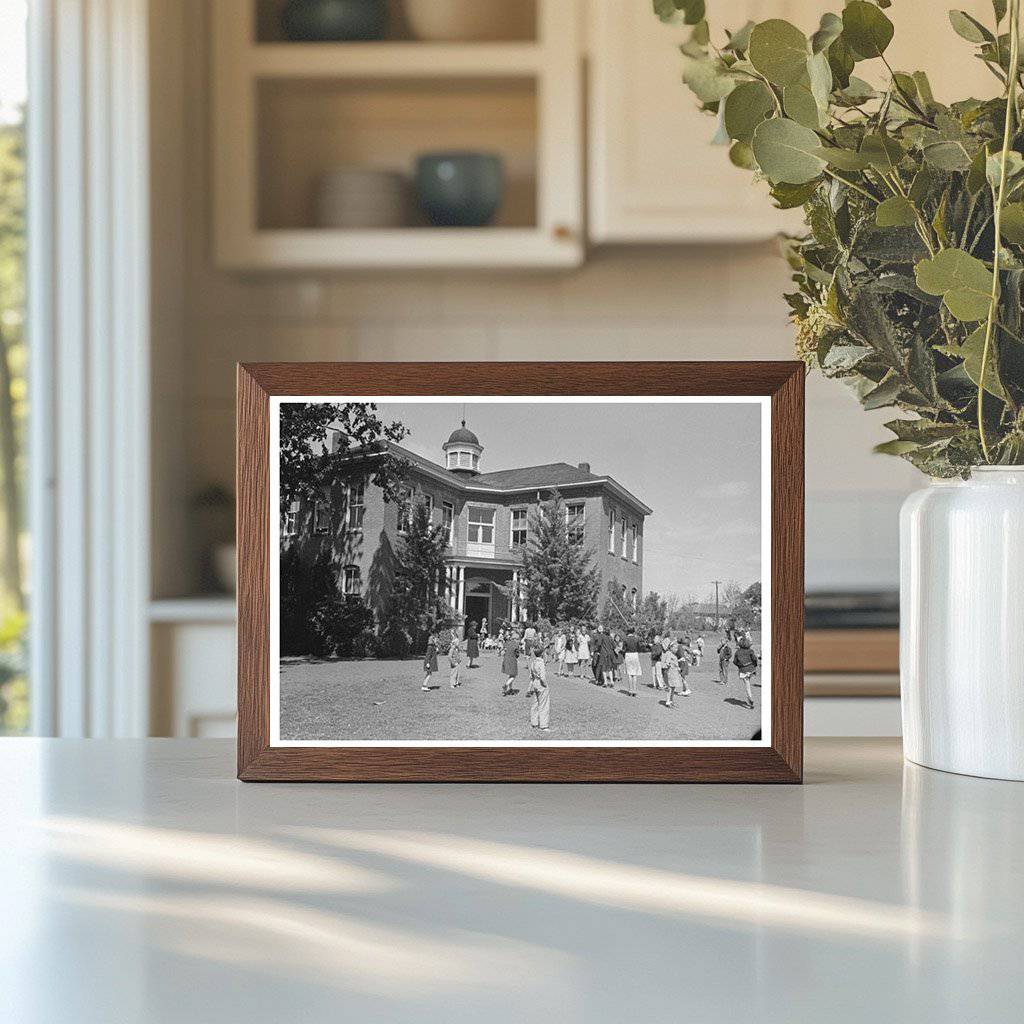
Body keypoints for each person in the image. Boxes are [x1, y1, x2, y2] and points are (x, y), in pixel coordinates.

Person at [527, 646, 550, 731]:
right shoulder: (541, 663)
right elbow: (543, 677)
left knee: (535, 704)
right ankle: (544, 725)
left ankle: (534, 722)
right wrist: (545, 684)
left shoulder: (533, 662)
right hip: (541, 684)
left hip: (535, 683)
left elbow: (531, 676)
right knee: (544, 705)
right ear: (542, 654)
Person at [733, 636, 758, 709]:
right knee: (748, 682)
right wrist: (754, 666)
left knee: (747, 684)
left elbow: (735, 662)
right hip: (751, 669)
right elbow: (754, 659)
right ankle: (750, 698)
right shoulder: (750, 651)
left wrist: (739, 666)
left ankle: (750, 697)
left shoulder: (737, 652)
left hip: (743, 670)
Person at [665, 640, 692, 707]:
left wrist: (678, 667)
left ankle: (671, 700)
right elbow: (668, 663)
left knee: (673, 687)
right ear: (671, 648)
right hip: (671, 673)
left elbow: (674, 663)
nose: (676, 649)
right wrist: (676, 664)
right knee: (670, 688)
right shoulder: (668, 654)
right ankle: (668, 701)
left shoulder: (673, 655)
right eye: (675, 648)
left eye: (677, 648)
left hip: (674, 673)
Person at [622, 626, 642, 697]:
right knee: (635, 674)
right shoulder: (636, 639)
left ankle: (630, 690)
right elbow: (639, 648)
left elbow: (623, 649)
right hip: (635, 655)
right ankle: (635, 690)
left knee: (630, 674)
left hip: (628, 655)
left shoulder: (625, 639)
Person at [501, 628, 520, 696]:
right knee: (514, 675)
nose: (518, 640)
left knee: (510, 675)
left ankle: (510, 689)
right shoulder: (516, 645)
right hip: (512, 660)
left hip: (505, 659)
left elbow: (503, 650)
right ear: (515, 639)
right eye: (517, 639)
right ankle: (506, 685)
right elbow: (517, 654)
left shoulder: (507, 643)